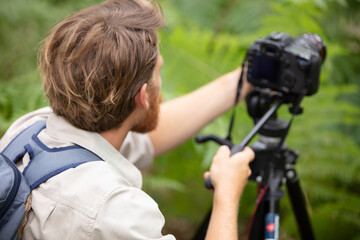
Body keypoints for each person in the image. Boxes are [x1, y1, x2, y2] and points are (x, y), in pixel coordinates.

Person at [0, 0, 255, 239]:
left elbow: (146, 140)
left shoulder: (29, 130)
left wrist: (241, 81)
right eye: (158, 72)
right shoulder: (115, 210)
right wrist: (227, 195)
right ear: (143, 96)